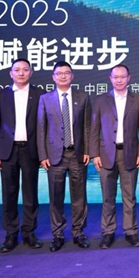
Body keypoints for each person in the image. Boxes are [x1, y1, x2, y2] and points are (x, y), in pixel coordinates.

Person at [90, 64, 139, 249]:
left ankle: (131, 231)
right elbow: (94, 130)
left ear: (128, 78)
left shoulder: (138, 100)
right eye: (116, 77)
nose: (119, 80)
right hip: (105, 154)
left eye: (122, 77)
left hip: (129, 153)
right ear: (110, 78)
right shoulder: (101, 100)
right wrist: (94, 154)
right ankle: (108, 232)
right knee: (107, 196)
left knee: (129, 196)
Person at [0, 58, 44, 252]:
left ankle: (29, 232)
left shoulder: (40, 95)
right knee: (9, 193)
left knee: (30, 194)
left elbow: (44, 125)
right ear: (10, 73)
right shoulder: (1, 95)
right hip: (7, 150)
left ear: (31, 72)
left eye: (25, 70)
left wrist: (43, 152)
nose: (21, 73)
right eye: (17, 70)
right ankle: (11, 234)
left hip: (30, 150)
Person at [36, 61, 91, 252]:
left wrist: (87, 150)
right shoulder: (45, 99)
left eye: (67, 73)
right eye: (59, 73)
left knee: (79, 196)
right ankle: (57, 234)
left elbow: (87, 126)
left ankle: (78, 232)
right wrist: (43, 155)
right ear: (53, 77)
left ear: (72, 76)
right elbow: (41, 128)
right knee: (56, 197)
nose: (63, 76)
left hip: (77, 154)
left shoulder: (83, 97)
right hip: (54, 155)